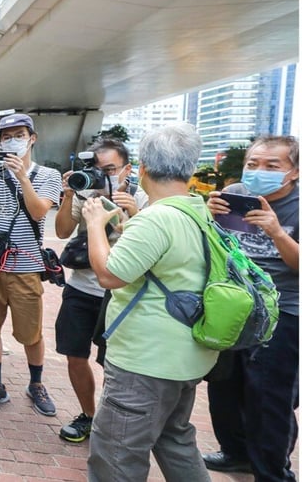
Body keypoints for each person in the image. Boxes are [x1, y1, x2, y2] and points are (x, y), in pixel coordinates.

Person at [82, 122, 216, 481]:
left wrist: (95, 224)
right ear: (190, 169)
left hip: (146, 362)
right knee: (175, 441)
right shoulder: (197, 210)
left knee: (116, 456)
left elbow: (110, 275)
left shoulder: (157, 219)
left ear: (141, 169)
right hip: (183, 357)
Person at [203, 135, 299, 480]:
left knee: (268, 397)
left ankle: (272, 472)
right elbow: (217, 247)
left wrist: (277, 232)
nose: (259, 171)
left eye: (272, 166)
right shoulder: (238, 196)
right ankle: (235, 452)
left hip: (283, 312)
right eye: (253, 164)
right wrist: (208, 216)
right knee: (223, 386)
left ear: (294, 172)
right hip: (234, 307)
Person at [53, 138, 148, 444]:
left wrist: (130, 213)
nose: (103, 175)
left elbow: (147, 245)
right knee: (74, 354)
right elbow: (63, 231)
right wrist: (69, 195)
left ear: (127, 169)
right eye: (97, 168)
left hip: (120, 294)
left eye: (110, 169)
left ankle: (109, 422)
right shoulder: (86, 194)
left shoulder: (142, 199)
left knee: (113, 363)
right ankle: (89, 416)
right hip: (81, 287)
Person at [0, 113, 63, 415]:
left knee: (31, 332)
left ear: (32, 138)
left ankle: (36, 383)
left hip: (26, 265)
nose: (12, 140)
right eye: (6, 136)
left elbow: (38, 213)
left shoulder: (48, 175)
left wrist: (22, 176)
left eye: (19, 134)